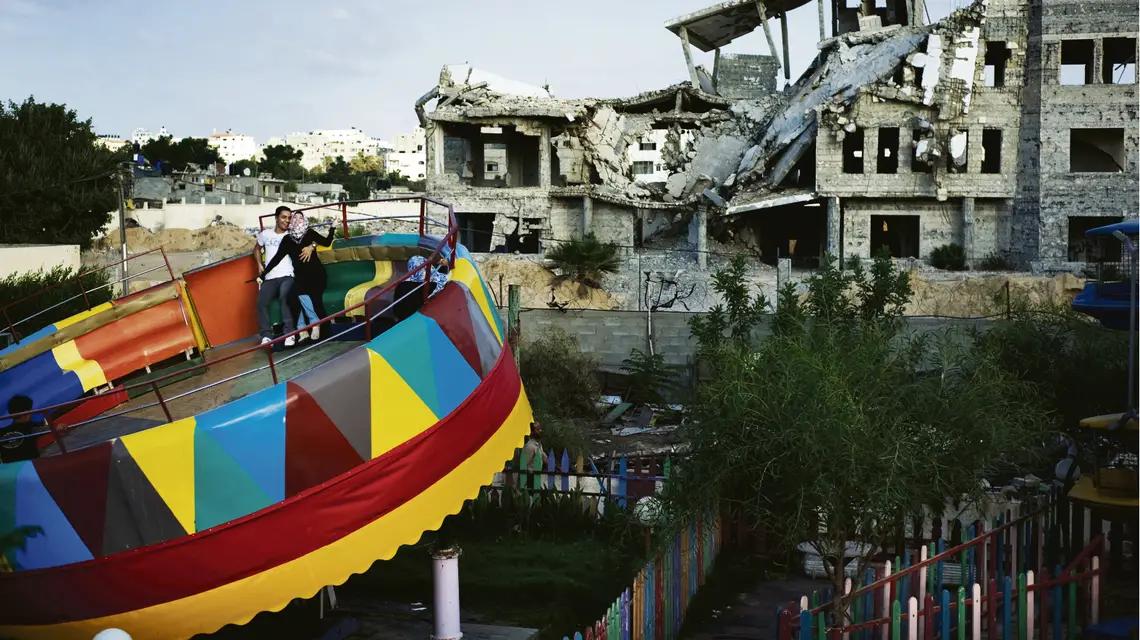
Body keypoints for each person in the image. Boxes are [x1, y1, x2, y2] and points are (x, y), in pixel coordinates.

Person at [259, 212, 336, 341]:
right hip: (301, 276)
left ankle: (320, 328)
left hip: (316, 273)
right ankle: (303, 328)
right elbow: (277, 258)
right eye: (295, 217)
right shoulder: (288, 239)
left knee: (315, 299)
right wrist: (263, 274)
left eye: (301, 217)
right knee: (291, 297)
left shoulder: (309, 233)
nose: (298, 220)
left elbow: (327, 242)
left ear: (304, 220)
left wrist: (315, 244)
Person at [255, 206, 298, 347]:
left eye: (289, 218)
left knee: (284, 297)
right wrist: (259, 264)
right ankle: (267, 336)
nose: (287, 220)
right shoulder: (265, 234)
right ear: (276, 218)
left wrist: (312, 246)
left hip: (287, 275)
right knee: (261, 302)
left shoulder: (291, 235)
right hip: (270, 277)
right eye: (284, 217)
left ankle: (289, 334)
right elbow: (256, 248)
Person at [1, 396, 43, 463]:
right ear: (26, 414)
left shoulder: (1, 432)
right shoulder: (33, 428)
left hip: (9, 471)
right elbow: (52, 430)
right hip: (32, 467)